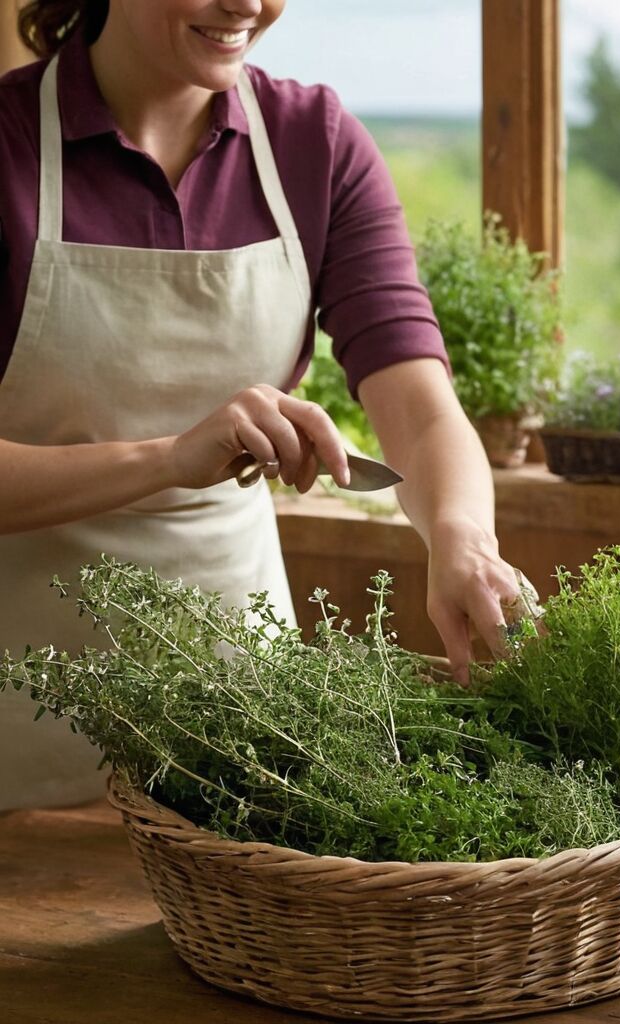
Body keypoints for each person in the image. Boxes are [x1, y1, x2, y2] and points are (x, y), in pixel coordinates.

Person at [0, 0, 526, 810]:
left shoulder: (313, 143)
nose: (248, 2)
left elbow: (419, 406)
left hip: (243, 737)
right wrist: (173, 457)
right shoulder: (6, 144)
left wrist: (460, 534)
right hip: (19, 732)